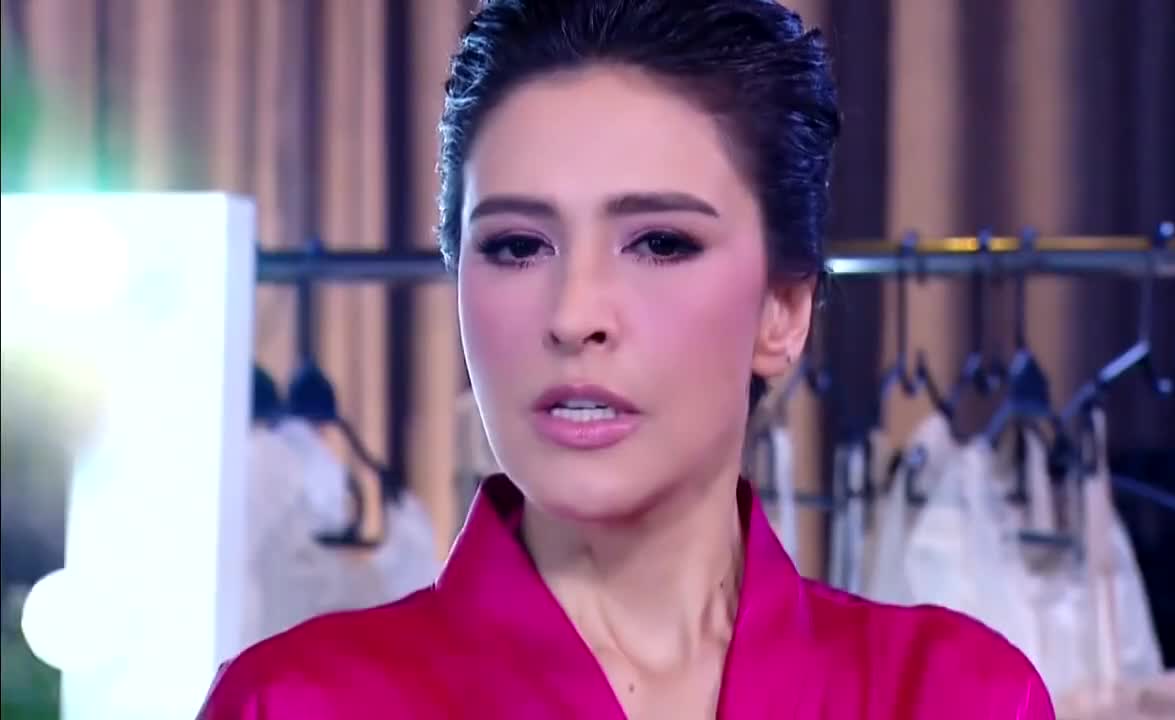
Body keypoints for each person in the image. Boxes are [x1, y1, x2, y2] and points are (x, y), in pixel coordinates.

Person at [199, 1, 1054, 717]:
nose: (574, 316)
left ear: (782, 311)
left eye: (660, 243)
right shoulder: (297, 702)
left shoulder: (955, 696)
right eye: (517, 246)